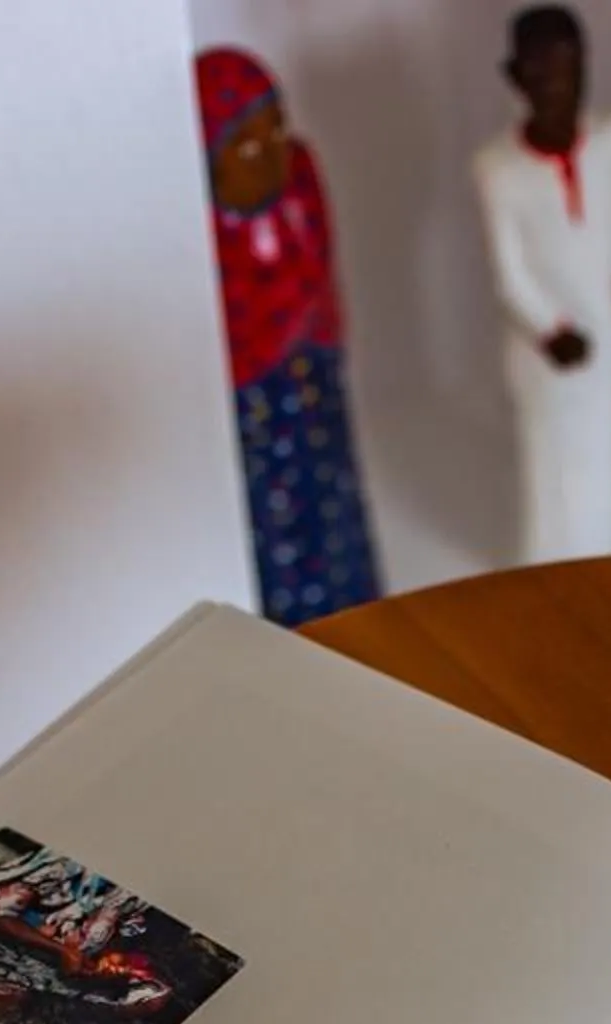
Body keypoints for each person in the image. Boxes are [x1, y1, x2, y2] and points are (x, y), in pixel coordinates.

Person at [196, 47, 382, 627]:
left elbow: (320, 266)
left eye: (279, 128)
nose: (273, 154)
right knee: (278, 522)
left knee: (335, 498)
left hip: (312, 375)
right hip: (256, 402)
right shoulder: (204, 236)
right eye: (248, 147)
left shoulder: (301, 180)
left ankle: (354, 599)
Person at [473, 5, 611, 565]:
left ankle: (606, 552)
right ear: (516, 78)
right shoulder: (497, 168)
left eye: (571, 69)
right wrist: (550, 329)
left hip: (606, 328)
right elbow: (509, 271)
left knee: (604, 447)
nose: (560, 87)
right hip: (543, 349)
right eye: (543, 74)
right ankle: (550, 564)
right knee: (552, 457)